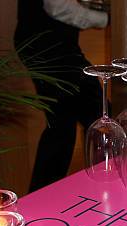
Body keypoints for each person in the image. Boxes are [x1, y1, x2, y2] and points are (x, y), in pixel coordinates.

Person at [14, 0, 109, 192]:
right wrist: (107, 19)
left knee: (73, 120)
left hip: (49, 44)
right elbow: (57, 7)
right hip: (47, 45)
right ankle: (102, 183)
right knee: (89, 114)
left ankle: (43, 195)